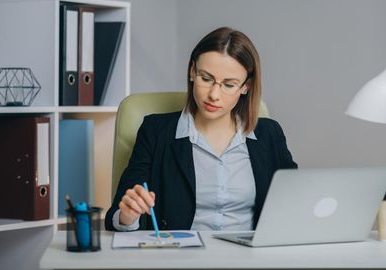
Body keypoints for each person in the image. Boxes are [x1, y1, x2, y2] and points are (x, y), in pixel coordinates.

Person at [105, 27, 297, 232]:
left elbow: (295, 202)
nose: (214, 94)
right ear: (192, 71)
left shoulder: (270, 134)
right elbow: (115, 216)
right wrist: (128, 215)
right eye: (206, 78)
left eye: (229, 85)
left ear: (246, 87)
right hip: (182, 257)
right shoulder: (155, 131)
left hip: (250, 259)